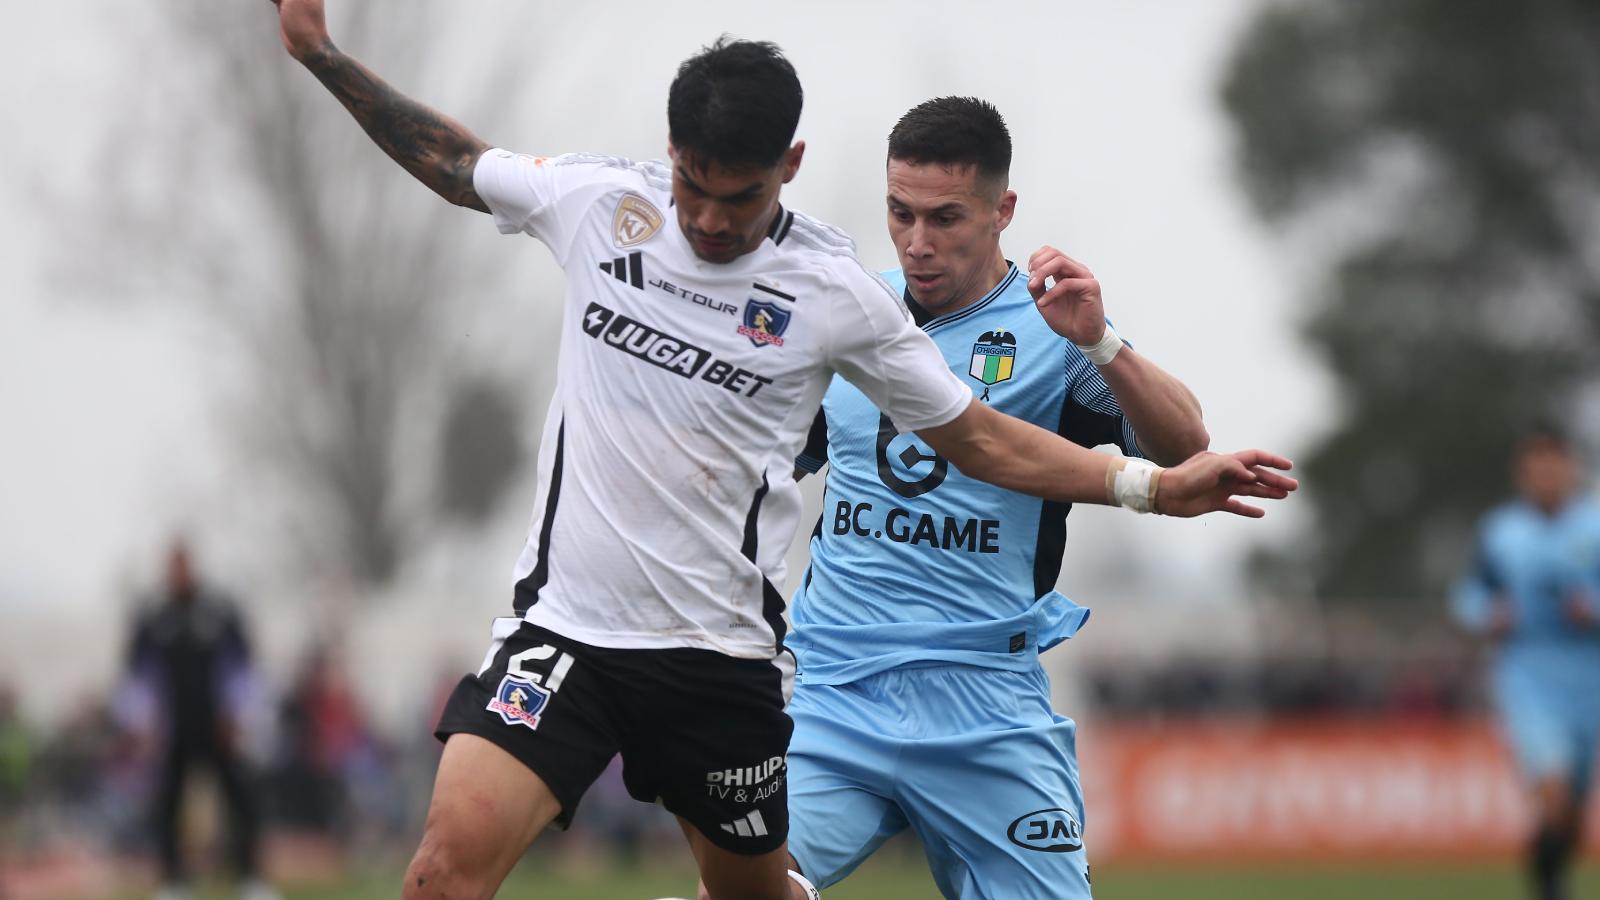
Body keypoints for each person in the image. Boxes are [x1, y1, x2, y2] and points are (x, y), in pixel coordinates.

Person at [269, 3, 1297, 897]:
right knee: (439, 875)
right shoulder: (600, 206)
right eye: (693, 189)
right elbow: (452, 162)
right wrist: (320, 54)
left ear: (790, 169)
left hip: (781, 675)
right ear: (667, 154)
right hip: (639, 650)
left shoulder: (841, 301)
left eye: (740, 196)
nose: (711, 222)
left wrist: (1153, 480)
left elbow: (988, 441)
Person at [727, 96, 1207, 900]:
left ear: (1002, 211)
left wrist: (1101, 341)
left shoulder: (1055, 328)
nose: (918, 242)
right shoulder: (848, 312)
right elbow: (755, 471)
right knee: (741, 891)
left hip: (986, 702)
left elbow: (1184, 447)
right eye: (900, 212)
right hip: (834, 689)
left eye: (946, 217)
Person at [1453, 427, 1600, 900]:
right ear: (1523, 475)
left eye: (1555, 467)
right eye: (1537, 469)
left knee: (1571, 812)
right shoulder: (1502, 532)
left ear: (1571, 470)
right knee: (1552, 790)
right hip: (1529, 675)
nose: (1546, 477)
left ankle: (1547, 875)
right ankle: (1552, 888)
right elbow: (1468, 595)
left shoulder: (1595, 527)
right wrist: (1487, 613)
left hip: (1589, 676)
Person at [123, 542, 276, 900]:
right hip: (173, 730)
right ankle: (173, 882)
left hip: (219, 728)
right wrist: (142, 722)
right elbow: (138, 677)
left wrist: (239, 714)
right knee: (168, 804)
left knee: (242, 799)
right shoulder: (154, 616)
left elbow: (244, 668)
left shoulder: (220, 611)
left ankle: (250, 878)